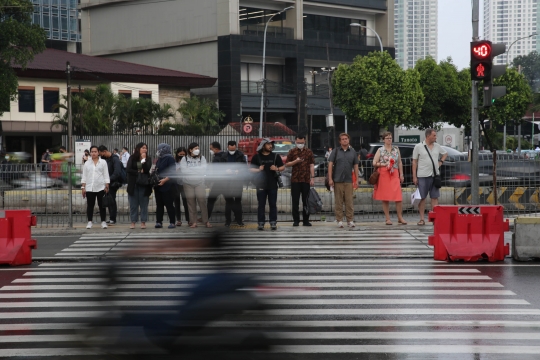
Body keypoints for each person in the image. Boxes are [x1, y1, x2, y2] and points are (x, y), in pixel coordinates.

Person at [412, 128, 448, 226]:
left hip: (434, 175)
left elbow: (445, 154)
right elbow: (414, 162)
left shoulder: (437, 146)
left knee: (434, 197)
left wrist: (440, 162)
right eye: (434, 135)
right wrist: (414, 176)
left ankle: (434, 218)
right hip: (422, 175)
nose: (435, 137)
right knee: (422, 198)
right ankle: (422, 218)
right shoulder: (418, 146)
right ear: (428, 136)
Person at [372, 132, 407, 225]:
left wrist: (401, 174)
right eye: (387, 138)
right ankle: (387, 218)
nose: (389, 139)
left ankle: (400, 217)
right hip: (384, 173)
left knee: (398, 196)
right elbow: (374, 162)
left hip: (394, 173)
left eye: (390, 138)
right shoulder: (380, 150)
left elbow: (399, 162)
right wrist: (384, 164)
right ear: (383, 139)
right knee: (385, 197)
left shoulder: (396, 149)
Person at [250, 138, 285, 231]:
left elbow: (282, 167)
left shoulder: (275, 156)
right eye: (268, 144)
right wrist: (259, 169)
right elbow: (251, 169)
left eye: (271, 144)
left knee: (272, 204)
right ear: (263, 145)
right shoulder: (256, 157)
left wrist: (276, 168)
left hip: (273, 185)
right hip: (260, 184)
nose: (270, 146)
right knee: (261, 204)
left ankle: (273, 222)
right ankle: (261, 223)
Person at [327, 133, 361, 228]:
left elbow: (356, 166)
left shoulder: (353, 152)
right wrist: (330, 179)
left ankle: (350, 220)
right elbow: (330, 164)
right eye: (342, 139)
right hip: (338, 180)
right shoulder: (336, 151)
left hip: (349, 180)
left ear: (348, 140)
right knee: (338, 201)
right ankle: (339, 220)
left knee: (349, 201)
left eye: (346, 139)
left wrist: (357, 179)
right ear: (340, 141)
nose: (345, 140)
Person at [213, 140, 246, 227]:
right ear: (227, 147)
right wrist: (225, 171)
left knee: (238, 201)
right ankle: (228, 221)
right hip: (227, 182)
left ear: (235, 147)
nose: (232, 150)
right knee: (228, 202)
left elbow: (244, 166)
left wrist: (239, 170)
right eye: (230, 148)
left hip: (238, 180)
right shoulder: (223, 156)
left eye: (233, 148)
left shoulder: (240, 155)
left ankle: (239, 220)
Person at [180, 142, 211, 228]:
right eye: (195, 148)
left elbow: (203, 170)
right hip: (188, 183)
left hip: (199, 183)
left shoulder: (202, 158)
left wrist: (192, 170)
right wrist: (197, 170)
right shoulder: (184, 159)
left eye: (198, 148)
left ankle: (206, 221)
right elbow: (184, 171)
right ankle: (193, 222)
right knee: (191, 203)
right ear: (190, 150)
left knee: (202, 202)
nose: (197, 150)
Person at [285, 135, 315, 226]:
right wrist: (296, 161)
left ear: (304, 142)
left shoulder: (309, 152)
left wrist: (312, 177)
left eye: (302, 143)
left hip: (306, 179)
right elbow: (287, 164)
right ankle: (296, 220)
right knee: (295, 201)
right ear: (295, 142)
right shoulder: (292, 151)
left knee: (306, 201)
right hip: (295, 180)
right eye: (298, 143)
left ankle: (306, 220)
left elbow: (311, 165)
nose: (300, 144)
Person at [81, 146, 110, 229]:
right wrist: (83, 187)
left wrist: (107, 185)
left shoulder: (103, 162)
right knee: (90, 205)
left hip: (101, 187)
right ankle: (89, 222)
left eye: (95, 151)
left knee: (102, 205)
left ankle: (103, 221)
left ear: (98, 152)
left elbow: (106, 174)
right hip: (90, 187)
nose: (93, 153)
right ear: (90, 153)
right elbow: (84, 176)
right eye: (92, 151)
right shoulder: (87, 163)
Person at [126, 142, 152, 229]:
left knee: (144, 204)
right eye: (143, 148)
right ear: (138, 149)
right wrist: (138, 171)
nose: (145, 149)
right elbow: (129, 169)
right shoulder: (132, 158)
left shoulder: (148, 159)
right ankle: (133, 221)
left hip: (144, 184)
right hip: (133, 184)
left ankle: (143, 222)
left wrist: (143, 160)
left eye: (146, 148)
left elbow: (146, 169)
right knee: (133, 204)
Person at [153, 143, 177, 229]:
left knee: (169, 204)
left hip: (167, 185)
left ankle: (172, 222)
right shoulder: (159, 159)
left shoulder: (170, 158)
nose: (157, 151)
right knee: (159, 205)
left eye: (158, 149)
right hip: (159, 185)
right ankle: (159, 222)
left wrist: (165, 180)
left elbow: (173, 172)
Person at [98, 145, 123, 225]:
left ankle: (113, 218)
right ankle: (111, 218)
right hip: (107, 182)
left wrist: (108, 180)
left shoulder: (114, 159)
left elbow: (117, 172)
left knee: (111, 200)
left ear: (104, 151)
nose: (101, 156)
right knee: (109, 200)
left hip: (112, 183)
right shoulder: (106, 159)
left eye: (101, 154)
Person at [206, 141, 226, 221]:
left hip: (218, 183)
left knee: (210, 199)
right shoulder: (225, 155)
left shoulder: (217, 158)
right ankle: (237, 218)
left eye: (211, 149)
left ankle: (206, 217)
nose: (210, 150)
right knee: (230, 200)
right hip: (225, 182)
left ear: (216, 149)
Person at [174, 147, 189, 226]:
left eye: (183, 154)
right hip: (176, 183)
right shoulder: (174, 162)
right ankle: (178, 219)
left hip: (185, 183)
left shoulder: (188, 161)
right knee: (176, 202)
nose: (182, 156)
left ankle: (188, 219)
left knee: (186, 202)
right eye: (180, 154)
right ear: (177, 154)